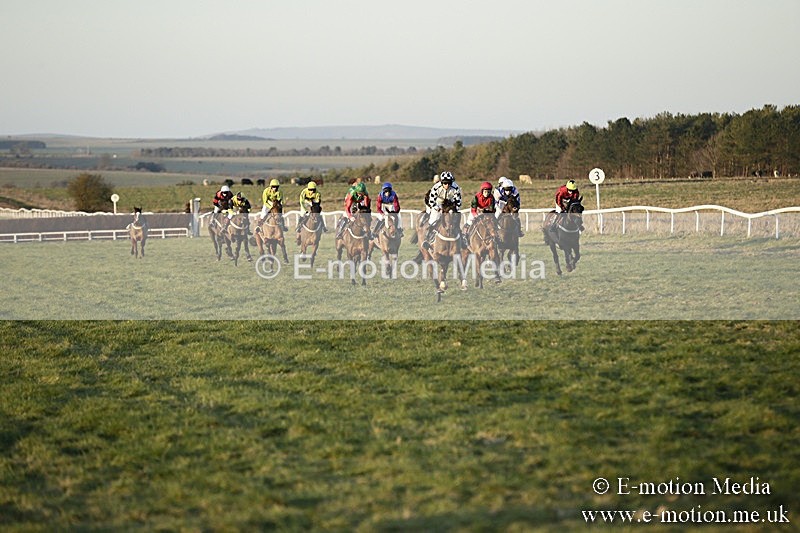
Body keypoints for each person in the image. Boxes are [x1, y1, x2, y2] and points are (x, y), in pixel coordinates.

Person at [422, 171, 462, 249]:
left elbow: (458, 203)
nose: (447, 185)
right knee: (433, 219)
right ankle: (427, 239)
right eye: (445, 183)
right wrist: (438, 209)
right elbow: (431, 201)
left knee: (456, 218)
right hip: (438, 204)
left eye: (449, 183)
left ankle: (462, 238)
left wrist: (454, 210)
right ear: (441, 182)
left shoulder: (456, 188)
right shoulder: (436, 187)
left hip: (450, 204)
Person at [462, 181, 496, 247]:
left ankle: (497, 237)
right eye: (485, 191)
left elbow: (491, 209)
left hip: (486, 213)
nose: (487, 193)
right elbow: (473, 209)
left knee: (494, 222)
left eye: (488, 192)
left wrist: (486, 211)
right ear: (482, 191)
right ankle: (465, 236)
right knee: (469, 222)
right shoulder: (476, 197)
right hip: (476, 212)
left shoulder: (492, 198)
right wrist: (477, 216)